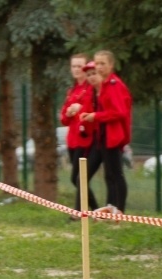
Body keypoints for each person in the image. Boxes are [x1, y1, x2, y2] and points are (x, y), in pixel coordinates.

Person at [79, 50, 132, 214]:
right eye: (97, 63)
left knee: (116, 175)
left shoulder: (114, 84)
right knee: (109, 175)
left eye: (103, 64)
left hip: (113, 137)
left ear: (111, 65)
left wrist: (96, 116)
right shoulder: (104, 85)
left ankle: (120, 211)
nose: (99, 67)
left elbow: (119, 112)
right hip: (103, 137)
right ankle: (111, 208)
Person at [59, 54, 96, 217]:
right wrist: (68, 112)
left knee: (78, 177)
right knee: (76, 178)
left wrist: (80, 109)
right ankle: (95, 209)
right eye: (73, 66)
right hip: (72, 140)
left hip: (85, 139)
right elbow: (64, 119)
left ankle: (78, 212)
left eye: (79, 66)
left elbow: (93, 112)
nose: (76, 70)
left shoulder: (91, 89)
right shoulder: (72, 90)